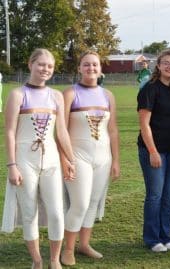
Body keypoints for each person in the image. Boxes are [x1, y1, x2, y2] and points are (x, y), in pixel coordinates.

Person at [1, 48, 75, 269]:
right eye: (41, 64)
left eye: (50, 66)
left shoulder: (56, 96)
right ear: (30, 64)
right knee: (29, 212)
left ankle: (54, 260)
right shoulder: (17, 94)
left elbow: (61, 132)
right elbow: (10, 132)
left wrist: (70, 160)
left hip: (51, 158)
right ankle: (37, 261)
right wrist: (12, 165)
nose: (45, 69)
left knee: (56, 211)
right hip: (24, 160)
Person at [60, 50, 120, 266]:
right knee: (80, 203)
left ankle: (84, 245)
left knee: (93, 202)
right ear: (79, 68)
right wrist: (65, 159)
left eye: (94, 65)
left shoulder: (108, 95)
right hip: (78, 157)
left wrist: (115, 160)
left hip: (103, 158)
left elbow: (112, 130)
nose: (91, 68)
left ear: (100, 68)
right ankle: (67, 249)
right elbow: (62, 129)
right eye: (86, 64)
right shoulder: (69, 93)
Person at [137, 49, 170, 252]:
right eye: (166, 62)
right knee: (155, 195)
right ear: (158, 65)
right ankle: (152, 238)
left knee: (168, 195)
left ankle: (166, 235)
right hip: (153, 150)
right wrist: (153, 152)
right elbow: (144, 124)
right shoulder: (150, 88)